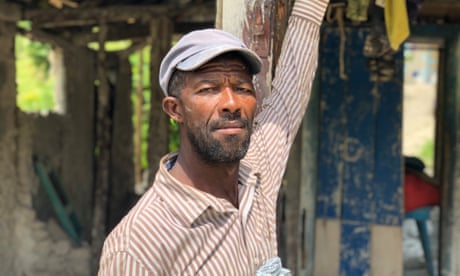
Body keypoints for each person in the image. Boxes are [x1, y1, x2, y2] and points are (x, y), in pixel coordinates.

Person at [98, 0, 329, 274]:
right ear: (175, 109)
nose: (231, 103)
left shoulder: (256, 174)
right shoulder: (138, 246)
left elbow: (294, 80)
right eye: (209, 89)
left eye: (243, 88)